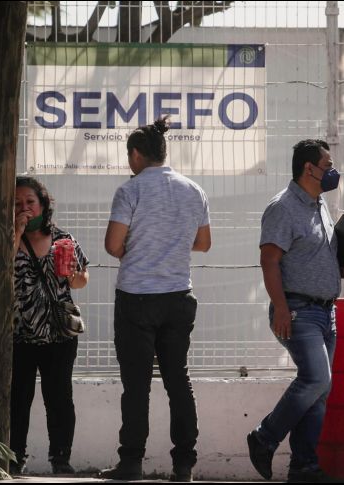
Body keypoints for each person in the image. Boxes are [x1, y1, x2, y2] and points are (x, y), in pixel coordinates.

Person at [100, 117, 211, 483]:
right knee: (178, 379)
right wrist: (171, 247)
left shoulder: (130, 191)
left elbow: (113, 245)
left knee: (137, 385)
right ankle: (184, 464)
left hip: (137, 297)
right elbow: (203, 243)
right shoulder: (193, 190)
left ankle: (131, 462)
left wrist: (138, 250)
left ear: (136, 154)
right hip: (178, 296)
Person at [246, 139, 344, 483]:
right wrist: (280, 307)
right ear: (309, 169)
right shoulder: (283, 207)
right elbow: (269, 260)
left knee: (320, 392)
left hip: (325, 312)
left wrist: (339, 267)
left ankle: (304, 467)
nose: (333, 172)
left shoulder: (319, 204)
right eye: (327, 165)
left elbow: (312, 253)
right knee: (316, 379)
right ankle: (264, 437)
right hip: (297, 310)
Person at [10, 175, 90, 476]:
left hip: (59, 333)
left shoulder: (62, 239)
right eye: (17, 203)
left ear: (43, 205)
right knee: (18, 399)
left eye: (30, 202)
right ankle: (14, 457)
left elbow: (81, 280)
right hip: (19, 332)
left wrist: (72, 275)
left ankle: (61, 458)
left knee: (59, 398)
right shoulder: (8, 238)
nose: (25, 208)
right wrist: (17, 231)